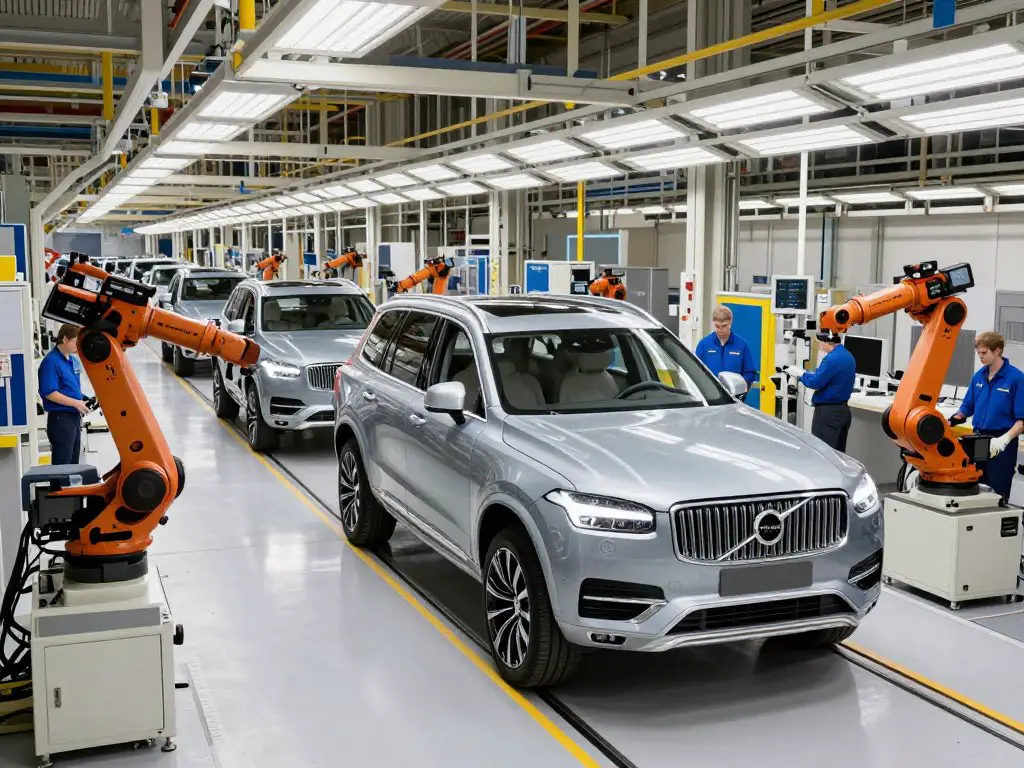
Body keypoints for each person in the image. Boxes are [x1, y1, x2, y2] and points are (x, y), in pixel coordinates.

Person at [951, 331, 1024, 500]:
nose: (980, 357)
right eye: (978, 353)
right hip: (978, 439)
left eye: (984, 353)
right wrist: (951, 421)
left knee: (997, 492)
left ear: (997, 351)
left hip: (1001, 442)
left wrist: (1003, 440)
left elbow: (1022, 421)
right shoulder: (979, 376)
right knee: (977, 490)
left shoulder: (1016, 379)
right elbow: (967, 408)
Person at [786, 331, 856, 452]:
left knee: (823, 453)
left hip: (828, 413)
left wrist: (801, 374)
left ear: (828, 341)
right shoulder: (848, 356)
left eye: (821, 343)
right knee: (838, 455)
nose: (820, 346)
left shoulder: (832, 359)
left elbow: (815, 382)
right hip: (843, 411)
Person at [38, 324, 89, 465]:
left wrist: (83, 399)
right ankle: (58, 488)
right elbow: (49, 392)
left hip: (74, 418)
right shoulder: (51, 362)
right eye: (75, 341)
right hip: (61, 420)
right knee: (62, 463)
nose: (77, 346)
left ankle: (70, 488)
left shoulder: (73, 361)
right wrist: (75, 403)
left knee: (73, 460)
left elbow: (70, 389)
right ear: (65, 339)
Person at [694, 305, 758, 390]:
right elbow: (695, 371)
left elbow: (750, 372)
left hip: (734, 397)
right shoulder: (704, 345)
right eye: (717, 326)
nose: (721, 330)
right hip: (710, 397)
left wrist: (739, 389)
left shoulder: (741, 345)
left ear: (730, 323)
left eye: (724, 326)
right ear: (713, 323)